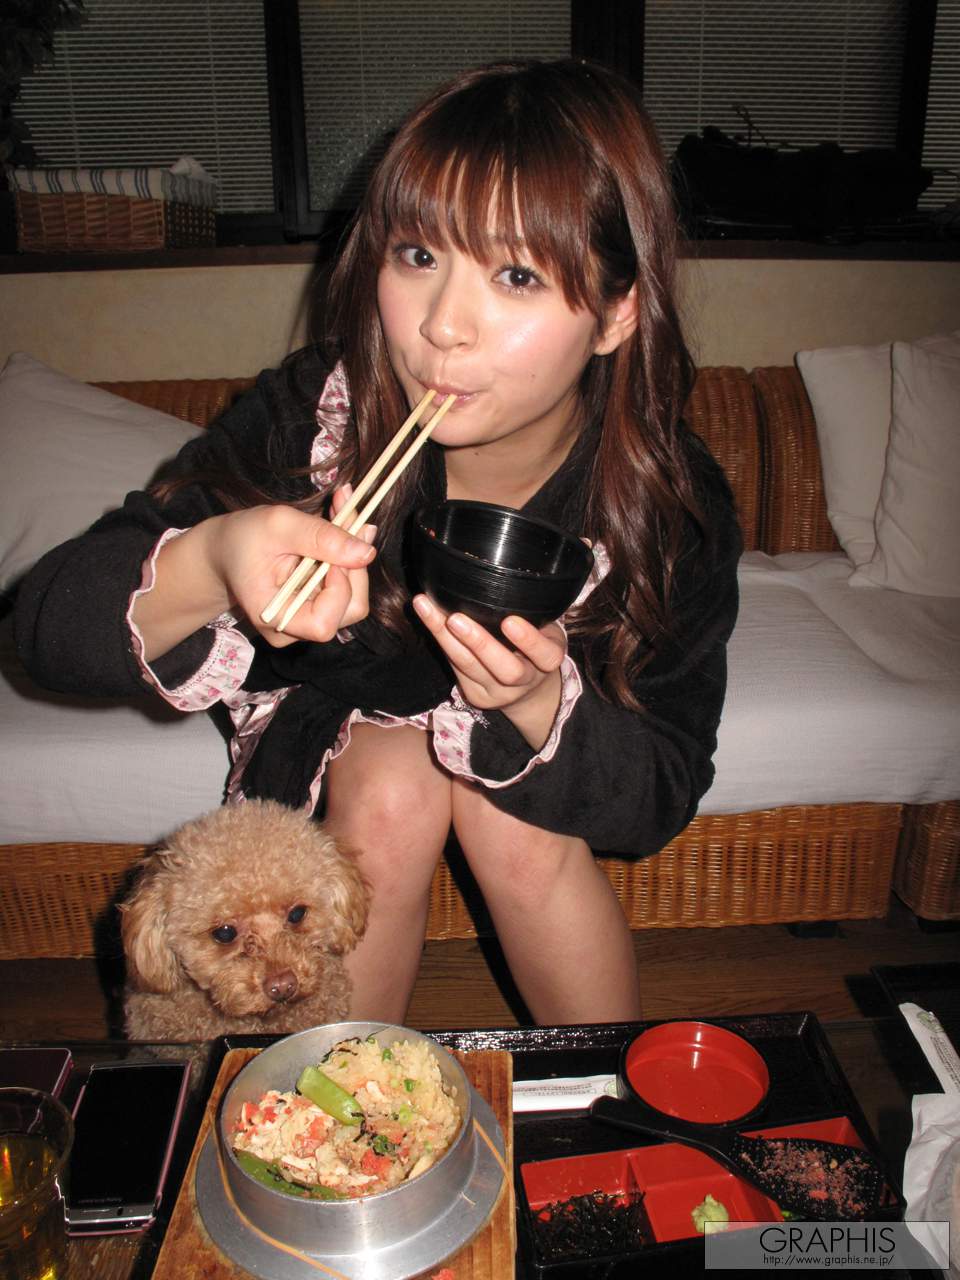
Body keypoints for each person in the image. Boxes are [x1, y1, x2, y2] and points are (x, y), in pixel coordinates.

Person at [15, 59, 741, 1026]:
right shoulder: (317, 415)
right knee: (393, 785)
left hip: (540, 763)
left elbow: (658, 796)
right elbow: (42, 629)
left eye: (517, 275)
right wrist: (216, 558)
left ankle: (603, 1086)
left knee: (510, 810)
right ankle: (346, 1098)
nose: (443, 327)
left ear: (617, 313)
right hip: (336, 711)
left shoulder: (668, 501)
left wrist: (536, 705)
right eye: (418, 256)